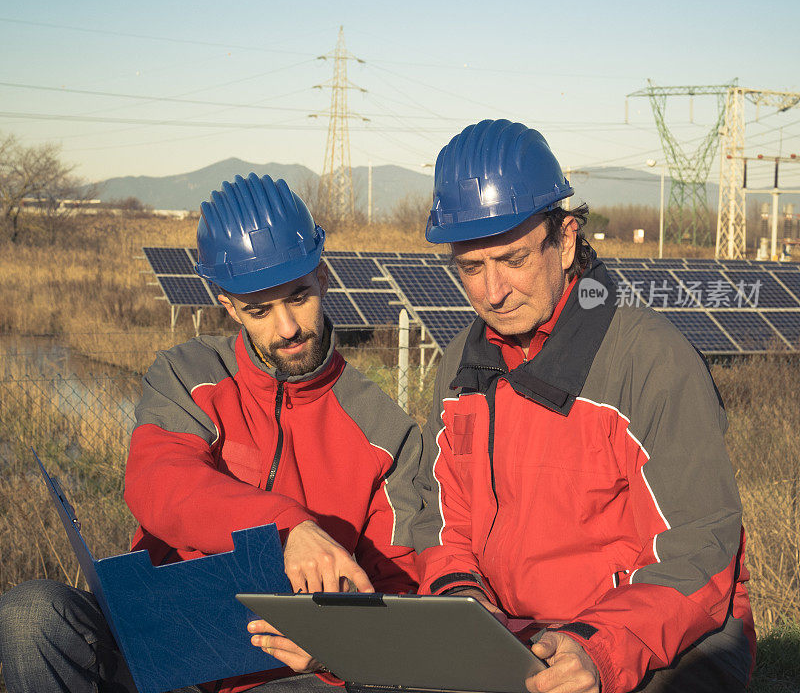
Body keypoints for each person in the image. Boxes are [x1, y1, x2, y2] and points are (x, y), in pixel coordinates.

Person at [0, 174, 421, 693]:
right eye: (259, 310)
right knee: (30, 615)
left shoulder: (387, 432)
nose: (286, 327)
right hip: (162, 640)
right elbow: (159, 484)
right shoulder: (187, 373)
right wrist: (288, 529)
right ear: (227, 304)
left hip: (286, 676)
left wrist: (333, 649)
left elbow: (401, 590)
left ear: (324, 276)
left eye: (299, 296)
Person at [412, 120, 755, 693]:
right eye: (472, 267)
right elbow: (443, 520)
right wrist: (463, 602)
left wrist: (598, 649)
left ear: (566, 238)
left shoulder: (652, 363)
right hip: (523, 637)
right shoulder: (460, 367)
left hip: (659, 639)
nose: (493, 292)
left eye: (514, 259)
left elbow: (703, 551)